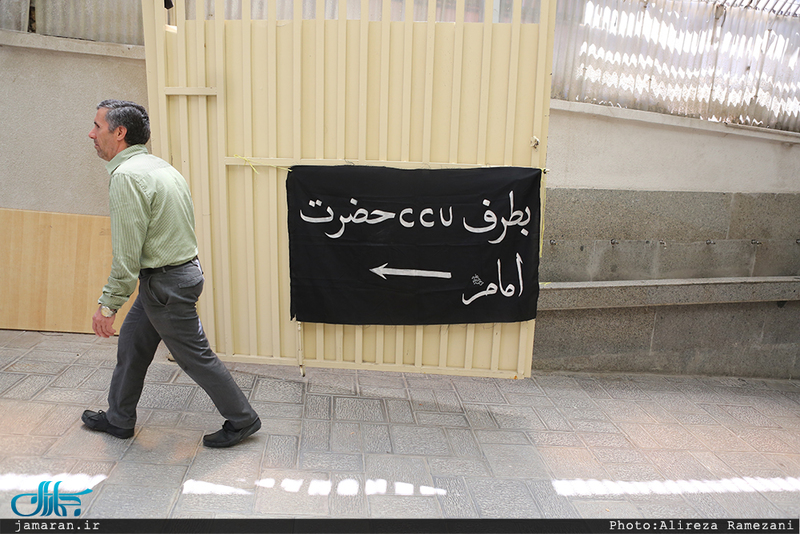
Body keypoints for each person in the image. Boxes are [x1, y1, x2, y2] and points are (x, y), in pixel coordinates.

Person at [83, 99, 260, 448]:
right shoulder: (158, 167)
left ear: (119, 133)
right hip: (171, 278)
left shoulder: (127, 178)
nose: (91, 134)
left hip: (165, 285)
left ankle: (242, 419)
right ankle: (119, 419)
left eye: (97, 127)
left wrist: (108, 305)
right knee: (133, 345)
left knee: (194, 357)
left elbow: (127, 256)